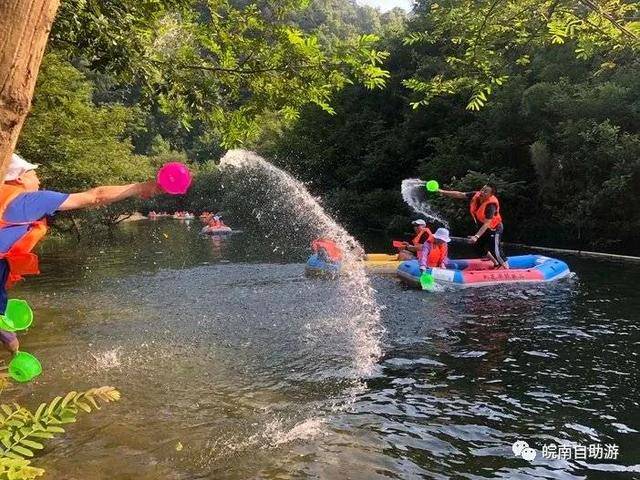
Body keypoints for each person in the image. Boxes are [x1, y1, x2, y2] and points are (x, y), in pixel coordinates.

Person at [0, 153, 160, 353]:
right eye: (33, 173)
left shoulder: (6, 199)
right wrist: (140, 187)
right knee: (10, 339)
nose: (39, 179)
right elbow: (96, 196)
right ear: (19, 178)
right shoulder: (30, 201)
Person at [438, 183, 508, 268]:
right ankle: (495, 263)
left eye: (485, 192)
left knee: (496, 250)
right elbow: (460, 194)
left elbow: (487, 223)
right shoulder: (476, 195)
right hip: (483, 227)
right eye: (482, 189)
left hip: (495, 228)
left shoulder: (491, 205)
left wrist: (476, 236)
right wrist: (442, 191)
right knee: (477, 247)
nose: (482, 192)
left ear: (491, 195)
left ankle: (506, 267)